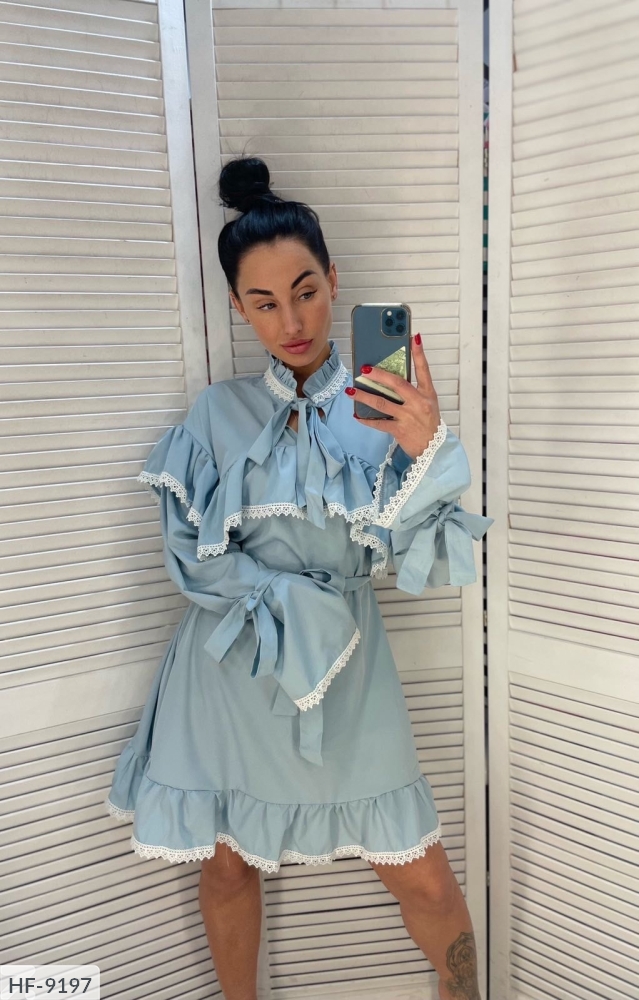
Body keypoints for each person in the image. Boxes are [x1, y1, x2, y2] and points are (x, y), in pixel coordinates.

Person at [105, 155, 493, 1000]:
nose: (291, 320)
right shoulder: (217, 414)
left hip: (351, 667)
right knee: (227, 864)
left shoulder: (387, 409)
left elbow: (424, 560)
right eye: (264, 301)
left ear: (334, 281)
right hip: (232, 666)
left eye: (306, 291)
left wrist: (426, 449)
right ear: (238, 307)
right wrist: (278, 600)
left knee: (425, 878)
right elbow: (189, 552)